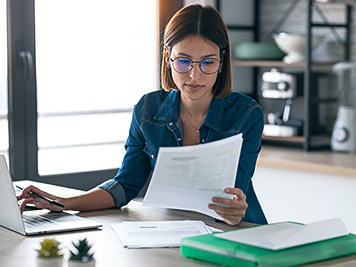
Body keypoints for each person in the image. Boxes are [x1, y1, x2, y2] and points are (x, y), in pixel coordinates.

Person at [17, 4, 267, 225]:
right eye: (183, 61)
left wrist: (234, 210)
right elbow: (125, 186)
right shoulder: (147, 110)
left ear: (221, 61)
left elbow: (234, 194)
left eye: (207, 62)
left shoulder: (246, 115)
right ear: (168, 57)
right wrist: (63, 202)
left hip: (238, 230)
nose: (194, 75)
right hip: (175, 232)